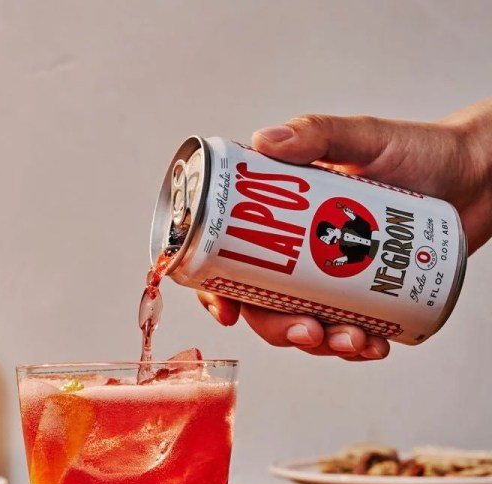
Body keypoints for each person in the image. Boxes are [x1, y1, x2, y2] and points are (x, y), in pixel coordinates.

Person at [197, 97, 492, 361]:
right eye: (328, 238)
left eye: (328, 234)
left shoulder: (351, 226)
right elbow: (341, 258)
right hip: (405, 286)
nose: (330, 237)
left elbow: (354, 219)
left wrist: (473, 149)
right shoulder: (342, 252)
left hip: (427, 229)